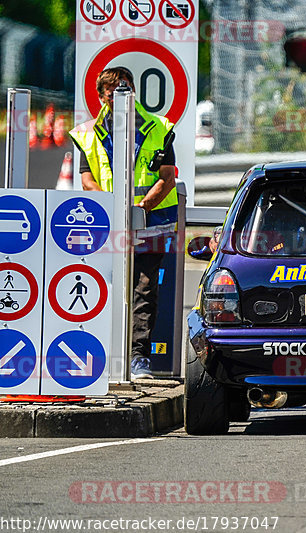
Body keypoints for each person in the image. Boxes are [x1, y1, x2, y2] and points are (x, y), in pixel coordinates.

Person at [69, 66, 178, 379]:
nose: (121, 95)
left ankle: (138, 358)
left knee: (144, 290)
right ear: (101, 96)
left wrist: (139, 208)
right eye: (114, 90)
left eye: (126, 88)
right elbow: (87, 180)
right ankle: (102, 356)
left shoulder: (158, 128)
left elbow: (167, 178)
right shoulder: (88, 133)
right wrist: (114, 210)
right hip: (106, 224)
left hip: (150, 221)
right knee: (108, 286)